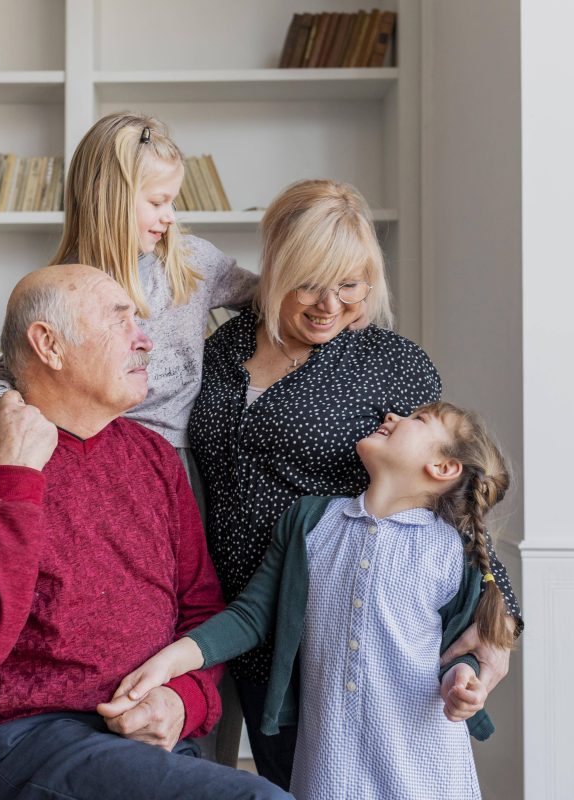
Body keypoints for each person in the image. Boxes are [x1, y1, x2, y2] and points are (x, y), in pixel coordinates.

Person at [186, 178, 522, 788]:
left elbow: (453, 490)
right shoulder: (220, 347)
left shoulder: (391, 364)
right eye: (309, 282)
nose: (329, 305)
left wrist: (501, 618)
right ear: (275, 269)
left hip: (313, 630)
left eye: (350, 284)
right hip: (207, 610)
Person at [0, 264, 287, 800]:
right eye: (120, 321)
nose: (145, 339)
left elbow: (201, 610)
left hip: (141, 741)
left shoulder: (154, 458)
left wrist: (183, 700)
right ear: (49, 344)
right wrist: (15, 473)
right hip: (21, 740)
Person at [102, 402, 517, 799]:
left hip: (421, 760)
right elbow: (250, 616)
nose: (393, 415)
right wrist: (169, 661)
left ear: (442, 468)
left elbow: (458, 651)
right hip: (329, 759)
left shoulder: (450, 550)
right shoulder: (310, 522)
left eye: (419, 418)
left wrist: (461, 681)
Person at [0, 111, 258, 512]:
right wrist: (1, 410)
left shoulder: (193, 263)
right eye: (158, 201)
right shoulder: (66, 284)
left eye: (173, 201)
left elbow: (268, 301)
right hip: (90, 457)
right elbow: (7, 372)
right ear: (108, 194)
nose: (170, 215)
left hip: (176, 459)